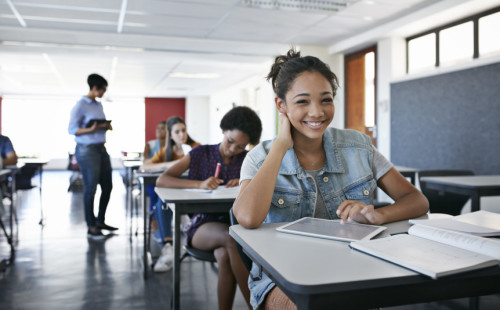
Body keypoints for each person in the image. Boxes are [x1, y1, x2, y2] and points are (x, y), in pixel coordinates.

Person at [233, 48, 430, 310]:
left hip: (352, 268)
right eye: (302, 101)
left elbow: (416, 200)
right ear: (281, 106)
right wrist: (281, 145)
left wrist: (376, 216)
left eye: (326, 100)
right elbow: (246, 217)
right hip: (284, 277)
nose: (317, 112)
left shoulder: (358, 146)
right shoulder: (260, 157)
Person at [156, 106, 262, 310]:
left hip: (235, 223)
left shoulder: (248, 159)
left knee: (224, 255)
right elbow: (163, 179)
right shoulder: (200, 153)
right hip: (202, 225)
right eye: (230, 142)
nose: (233, 149)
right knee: (232, 238)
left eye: (240, 147)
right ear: (223, 130)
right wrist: (199, 184)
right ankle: (256, 306)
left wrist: (244, 181)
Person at [142, 116, 200, 272]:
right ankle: (168, 246)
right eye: (177, 132)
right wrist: (171, 164)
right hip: (173, 193)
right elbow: (146, 166)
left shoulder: (196, 147)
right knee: (162, 204)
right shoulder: (166, 152)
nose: (182, 134)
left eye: (184, 130)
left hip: (194, 193)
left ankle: (196, 237)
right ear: (171, 135)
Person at [68, 73, 117, 240]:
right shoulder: (80, 106)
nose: (104, 92)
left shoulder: (98, 105)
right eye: (103, 89)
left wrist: (105, 126)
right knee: (90, 189)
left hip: (101, 149)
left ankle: (100, 220)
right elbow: (72, 130)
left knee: (108, 186)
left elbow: (99, 124)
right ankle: (91, 226)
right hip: (86, 150)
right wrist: (91, 130)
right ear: (95, 88)